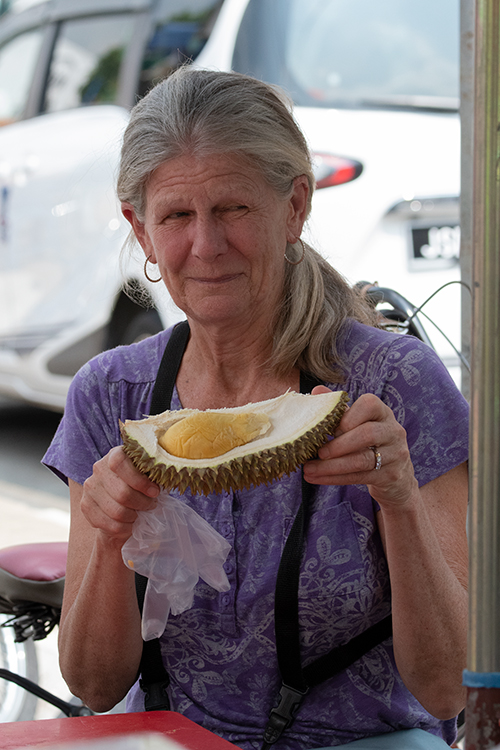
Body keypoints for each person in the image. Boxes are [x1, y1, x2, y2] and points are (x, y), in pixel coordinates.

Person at [43, 67, 469, 750]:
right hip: (170, 736)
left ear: (294, 206)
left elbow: (447, 687)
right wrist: (112, 537)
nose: (206, 247)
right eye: (177, 217)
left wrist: (400, 502)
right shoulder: (112, 396)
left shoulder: (394, 386)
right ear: (141, 231)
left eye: (234, 209)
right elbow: (94, 686)